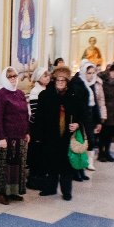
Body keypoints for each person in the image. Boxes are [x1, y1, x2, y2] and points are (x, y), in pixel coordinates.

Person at [35, 66, 82, 201]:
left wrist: (78, 124)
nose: (60, 82)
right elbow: (39, 117)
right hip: (50, 136)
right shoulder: (45, 95)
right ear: (54, 81)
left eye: (63, 80)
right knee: (50, 164)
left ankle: (66, 191)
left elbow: (82, 114)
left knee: (66, 166)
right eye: (58, 80)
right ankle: (50, 188)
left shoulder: (74, 96)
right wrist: (38, 136)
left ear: (67, 82)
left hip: (67, 136)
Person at [0, 66, 30, 205]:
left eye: (14, 76)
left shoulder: (20, 93)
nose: (13, 79)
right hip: (5, 138)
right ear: (4, 78)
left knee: (16, 165)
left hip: (19, 137)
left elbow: (25, 115)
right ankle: (0, 193)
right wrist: (1, 138)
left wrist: (27, 132)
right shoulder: (0, 95)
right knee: (3, 166)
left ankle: (13, 191)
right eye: (10, 76)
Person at [26, 67, 50, 189]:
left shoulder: (47, 89)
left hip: (45, 127)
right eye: (44, 76)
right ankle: (34, 180)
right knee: (36, 155)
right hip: (37, 127)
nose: (47, 78)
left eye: (48, 76)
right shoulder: (36, 92)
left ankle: (41, 178)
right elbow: (35, 113)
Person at [16, 0, 35, 66]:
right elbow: (20, 11)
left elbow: (33, 13)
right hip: (23, 23)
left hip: (29, 23)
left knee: (28, 42)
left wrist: (33, 26)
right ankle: (22, 60)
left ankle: (28, 60)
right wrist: (23, 9)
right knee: (23, 42)